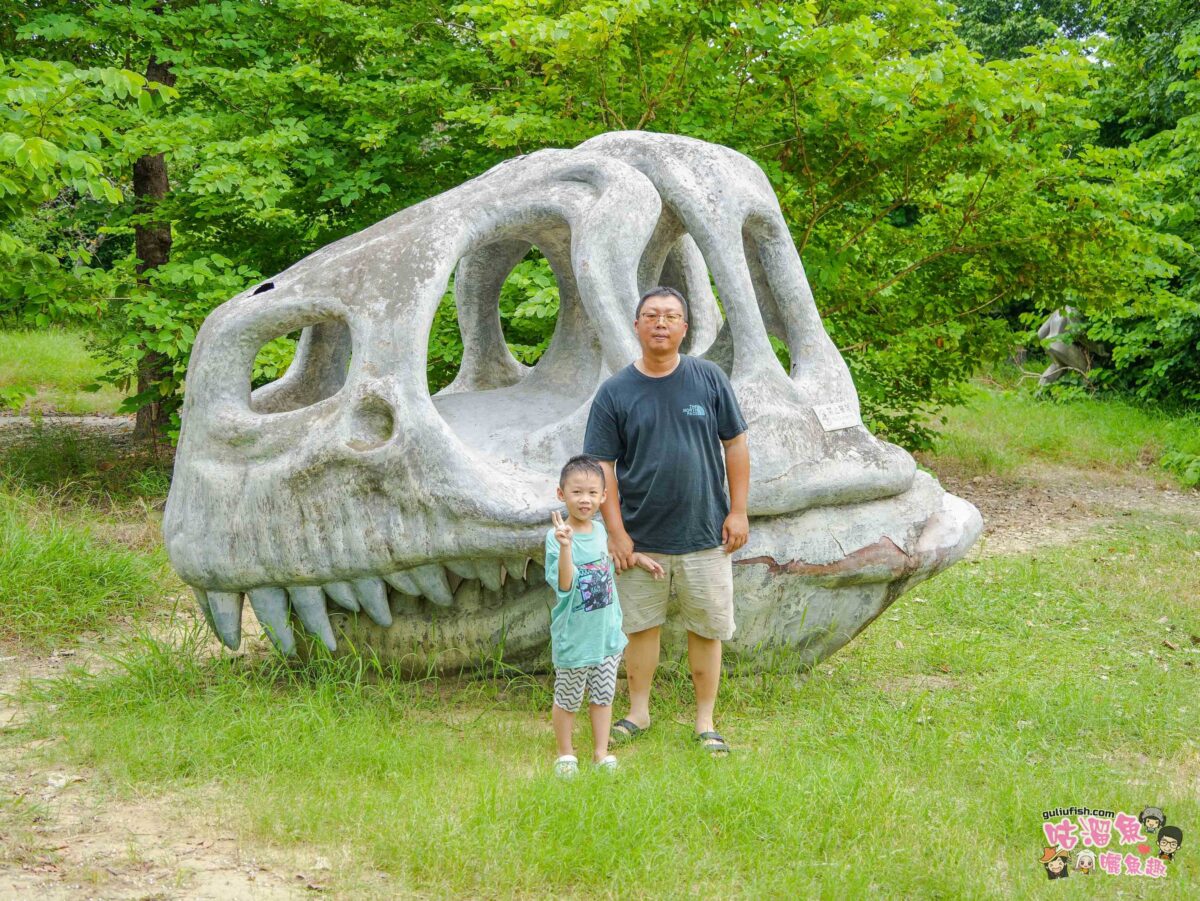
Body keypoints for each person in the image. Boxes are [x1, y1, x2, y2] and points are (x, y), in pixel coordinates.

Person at [583, 285, 750, 754]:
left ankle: (705, 720)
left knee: (708, 628)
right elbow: (602, 467)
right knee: (640, 628)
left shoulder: (709, 379)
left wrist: (738, 511)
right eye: (651, 315)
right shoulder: (615, 392)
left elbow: (735, 444)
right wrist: (616, 534)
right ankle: (638, 711)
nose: (661, 323)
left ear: (685, 327)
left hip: (706, 532)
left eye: (671, 316)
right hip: (641, 536)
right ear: (636, 326)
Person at [544, 455, 664, 776]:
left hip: (607, 636)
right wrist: (566, 546)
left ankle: (600, 753)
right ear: (561, 494)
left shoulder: (600, 531)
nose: (585, 499)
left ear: (604, 497)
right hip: (575, 638)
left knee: (603, 696)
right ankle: (566, 754)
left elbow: (608, 564)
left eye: (593, 493)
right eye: (577, 492)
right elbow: (565, 584)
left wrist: (637, 558)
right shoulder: (556, 538)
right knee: (568, 699)